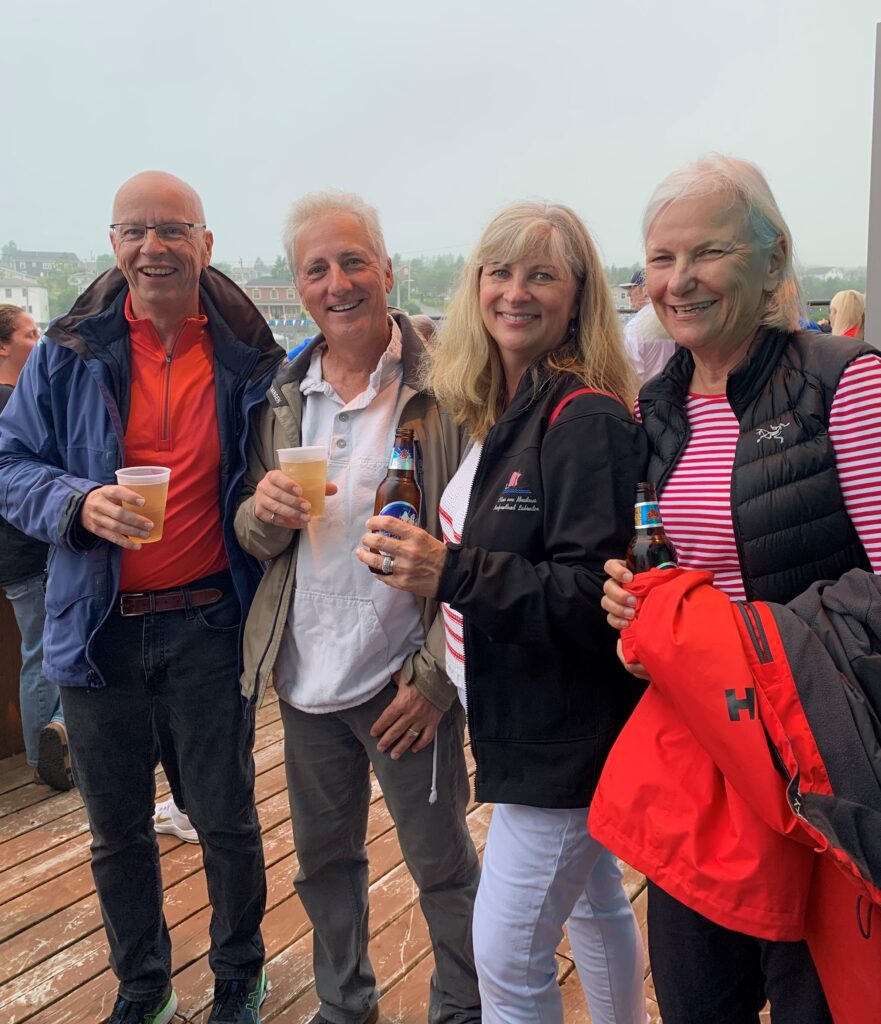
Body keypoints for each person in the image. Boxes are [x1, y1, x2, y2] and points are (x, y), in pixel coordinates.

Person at [598, 153, 881, 1024]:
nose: (678, 280)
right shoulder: (654, 409)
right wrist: (637, 613)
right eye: (660, 258)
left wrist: (735, 640)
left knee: (818, 997)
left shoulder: (845, 382)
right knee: (695, 996)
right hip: (702, 758)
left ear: (771, 260)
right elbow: (667, 565)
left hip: (818, 760)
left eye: (708, 252)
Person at [0, 171, 283, 1024]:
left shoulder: (247, 356)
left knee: (225, 820)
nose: (152, 247)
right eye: (134, 230)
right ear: (114, 243)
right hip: (96, 631)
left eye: (171, 229)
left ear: (206, 243)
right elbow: (9, 466)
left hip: (209, 622)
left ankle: (238, 972)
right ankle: (143, 984)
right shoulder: (66, 352)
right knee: (116, 830)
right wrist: (77, 502)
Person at [357, 200, 649, 1024]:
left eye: (540, 275)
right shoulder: (510, 409)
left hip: (559, 729)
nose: (514, 293)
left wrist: (447, 569)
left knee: (507, 955)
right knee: (593, 898)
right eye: (499, 272)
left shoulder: (583, 417)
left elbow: (592, 595)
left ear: (577, 295)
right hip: (521, 713)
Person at [234, 190, 481, 1024]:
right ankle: (345, 1006)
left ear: (386, 270)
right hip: (305, 679)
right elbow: (252, 534)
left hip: (403, 681)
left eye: (352, 262)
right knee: (323, 866)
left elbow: (479, 542)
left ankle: (462, 1008)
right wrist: (263, 513)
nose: (336, 284)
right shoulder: (281, 393)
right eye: (317, 269)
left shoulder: (446, 387)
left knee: (440, 865)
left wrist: (436, 678)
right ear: (299, 286)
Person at [0, 305, 71, 790]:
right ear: (3, 346)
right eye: (29, 334)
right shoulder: (13, 406)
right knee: (52, 649)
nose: (39, 341)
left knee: (34, 650)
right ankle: (55, 740)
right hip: (30, 549)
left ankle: (37, 750)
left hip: (10, 556)